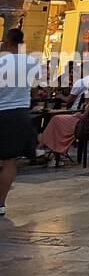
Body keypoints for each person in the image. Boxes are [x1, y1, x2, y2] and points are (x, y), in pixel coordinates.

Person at [0, 29, 42, 217]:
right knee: (9, 161)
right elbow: (34, 92)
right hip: (20, 114)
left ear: (7, 41)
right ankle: (0, 203)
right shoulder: (32, 62)